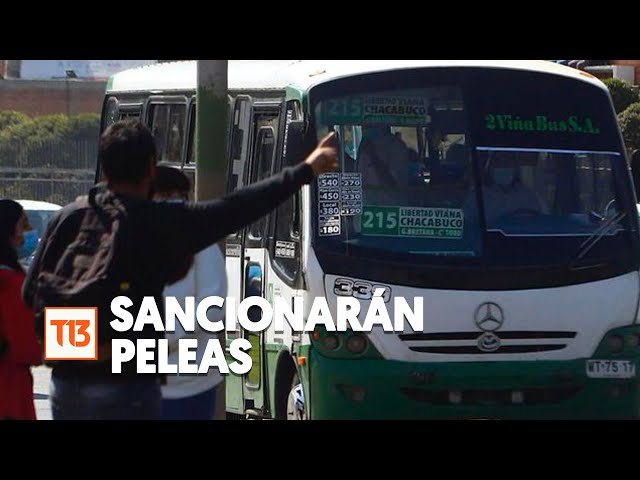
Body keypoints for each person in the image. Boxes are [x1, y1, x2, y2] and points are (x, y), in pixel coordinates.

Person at [22, 119, 337, 420]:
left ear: (104, 168)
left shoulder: (67, 217)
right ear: (150, 168)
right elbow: (237, 207)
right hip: (127, 384)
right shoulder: (157, 221)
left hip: (66, 383)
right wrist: (306, 170)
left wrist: (80, 339)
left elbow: (29, 294)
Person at [152, 166, 227, 420]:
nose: (175, 203)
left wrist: (163, 340)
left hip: (189, 383)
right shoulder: (128, 238)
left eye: (180, 196)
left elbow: (212, 310)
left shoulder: (203, 246)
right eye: (165, 196)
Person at [0, 199, 43, 420]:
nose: (25, 232)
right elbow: (29, 349)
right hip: (8, 389)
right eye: (22, 224)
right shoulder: (10, 283)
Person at [479, 153, 548, 224]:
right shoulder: (478, 198)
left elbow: (545, 224)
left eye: (508, 164)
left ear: (516, 169)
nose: (503, 167)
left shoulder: (531, 197)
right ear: (489, 168)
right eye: (498, 163)